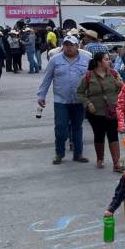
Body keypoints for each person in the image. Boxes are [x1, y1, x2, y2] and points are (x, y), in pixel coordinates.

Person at [37, 35, 91, 164]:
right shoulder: (55, 60)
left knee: (77, 128)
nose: (69, 47)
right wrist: (41, 95)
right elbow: (47, 78)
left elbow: (92, 78)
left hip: (79, 100)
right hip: (61, 100)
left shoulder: (86, 59)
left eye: (71, 45)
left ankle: (78, 154)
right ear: (63, 46)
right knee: (61, 128)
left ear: (77, 46)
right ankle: (59, 153)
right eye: (66, 45)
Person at [76, 51, 125, 172]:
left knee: (113, 135)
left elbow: (124, 90)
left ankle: (116, 163)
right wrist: (88, 104)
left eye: (109, 59)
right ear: (99, 62)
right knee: (99, 135)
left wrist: (121, 85)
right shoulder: (88, 76)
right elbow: (79, 93)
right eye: (106, 59)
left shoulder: (114, 73)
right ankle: (100, 159)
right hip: (95, 112)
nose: (109, 61)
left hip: (112, 111)